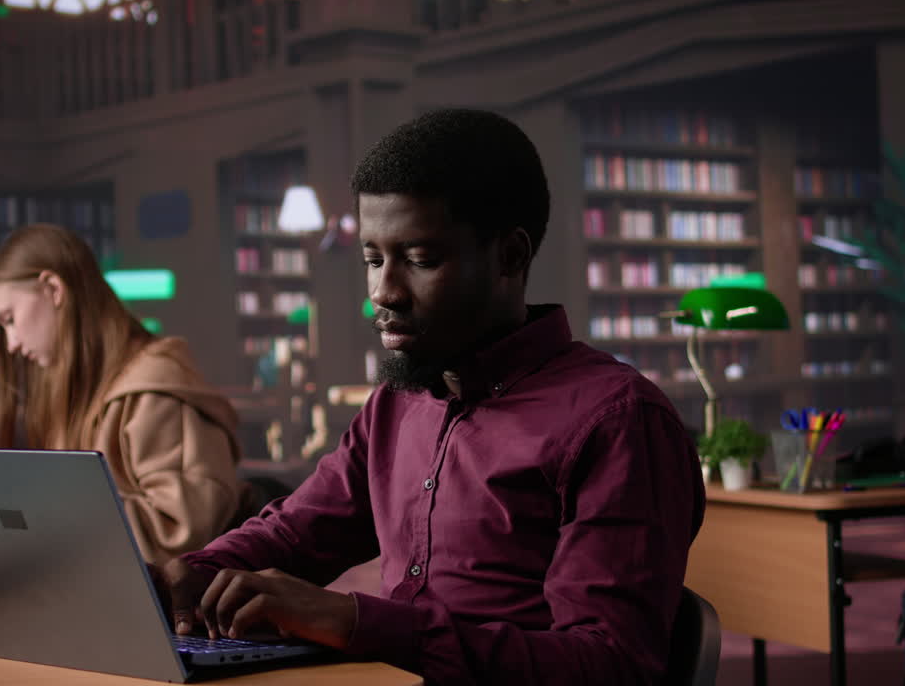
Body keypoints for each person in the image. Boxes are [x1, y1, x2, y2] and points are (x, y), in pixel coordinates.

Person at [154, 109, 705, 685]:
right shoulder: (397, 402)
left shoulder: (616, 420)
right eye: (373, 259)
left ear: (510, 258)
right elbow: (297, 531)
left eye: (419, 260)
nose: (383, 292)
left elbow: (610, 666)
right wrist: (186, 574)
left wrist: (353, 621)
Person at [0, 224, 250, 564]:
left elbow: (179, 539)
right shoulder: (86, 389)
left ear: (53, 289)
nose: (12, 344)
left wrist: (21, 502)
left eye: (10, 319)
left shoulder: (157, 392)